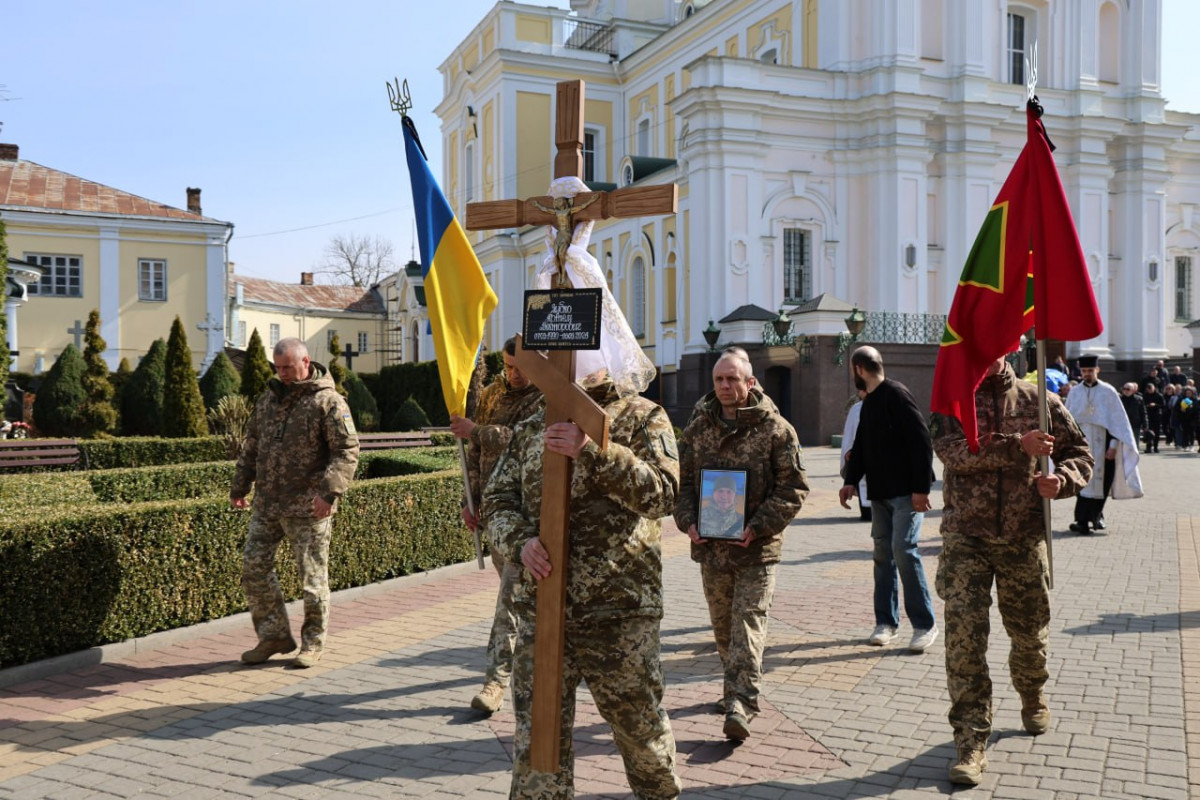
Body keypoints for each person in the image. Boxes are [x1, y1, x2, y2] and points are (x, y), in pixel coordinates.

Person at [483, 371, 683, 799]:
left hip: (618, 611)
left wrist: (594, 451)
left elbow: (664, 494)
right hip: (544, 609)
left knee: (639, 733)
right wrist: (520, 543)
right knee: (539, 740)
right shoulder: (533, 422)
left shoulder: (641, 416)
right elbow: (496, 500)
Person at [930, 355, 1093, 786]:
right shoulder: (951, 401)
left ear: (1010, 347)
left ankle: (1032, 691)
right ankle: (970, 740)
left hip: (1023, 537)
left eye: (993, 346)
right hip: (967, 538)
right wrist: (1017, 445)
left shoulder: (1040, 400)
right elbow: (954, 454)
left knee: (1028, 633)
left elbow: (1081, 453)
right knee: (964, 642)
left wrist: (1063, 481)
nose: (984, 355)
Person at [674, 351, 808, 741]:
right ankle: (733, 688)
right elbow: (679, 484)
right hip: (712, 550)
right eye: (719, 380)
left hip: (756, 548)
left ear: (750, 383)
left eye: (732, 379)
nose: (725, 387)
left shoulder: (777, 430)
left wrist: (759, 525)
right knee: (722, 627)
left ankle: (741, 702)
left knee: (747, 624)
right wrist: (688, 521)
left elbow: (794, 487)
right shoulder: (698, 429)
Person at [231, 338, 360, 668]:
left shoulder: (328, 401)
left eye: (289, 366)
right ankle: (274, 635)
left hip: (309, 505)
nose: (283, 373)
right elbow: (252, 446)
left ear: (306, 362)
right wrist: (240, 485)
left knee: (312, 579)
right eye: (279, 367)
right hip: (268, 503)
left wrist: (329, 493)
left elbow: (346, 451)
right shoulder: (268, 400)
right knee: (253, 566)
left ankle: (313, 643)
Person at [449, 336, 543, 715]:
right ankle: (538, 659)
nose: (514, 374)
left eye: (520, 366)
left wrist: (474, 430)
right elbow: (477, 454)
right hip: (494, 510)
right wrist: (469, 500)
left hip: (529, 513)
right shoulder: (491, 394)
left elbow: (521, 440)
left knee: (510, 599)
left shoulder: (548, 396)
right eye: (507, 366)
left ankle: (496, 681)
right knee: (518, 596)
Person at [839, 346, 938, 652]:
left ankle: (924, 625)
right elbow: (862, 446)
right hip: (879, 494)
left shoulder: (897, 394)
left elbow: (922, 442)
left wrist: (922, 489)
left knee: (903, 550)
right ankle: (886, 623)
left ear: (858, 369)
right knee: (883, 555)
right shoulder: (869, 404)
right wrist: (850, 481)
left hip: (907, 493)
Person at [1064, 355, 1143, 534]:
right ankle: (1082, 521)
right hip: (1081, 446)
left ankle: (1097, 516)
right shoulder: (1075, 392)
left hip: (1104, 446)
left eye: (1090, 371)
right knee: (1082, 482)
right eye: (1084, 371)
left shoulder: (1108, 392)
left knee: (1102, 482)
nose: (1087, 374)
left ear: (1097, 370)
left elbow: (1117, 423)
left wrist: (1114, 446)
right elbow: (1067, 421)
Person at [840, 389, 871, 521]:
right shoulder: (856, 408)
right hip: (859, 457)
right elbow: (849, 432)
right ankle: (866, 512)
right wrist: (848, 451)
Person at [698, 472, 745, 539]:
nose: (724, 496)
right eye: (720, 491)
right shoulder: (700, 516)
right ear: (713, 494)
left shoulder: (742, 520)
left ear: (735, 496)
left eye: (729, 492)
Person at [1119, 383, 1147, 453]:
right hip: (1122, 425)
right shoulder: (1119, 399)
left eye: (1128, 389)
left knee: (1134, 445)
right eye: (1124, 389)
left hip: (1135, 424)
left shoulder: (1139, 399)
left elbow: (1143, 413)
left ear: (1133, 391)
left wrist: (1145, 425)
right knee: (1122, 445)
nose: (1125, 391)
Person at [1142, 382, 1164, 453]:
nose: (1150, 391)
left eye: (1151, 389)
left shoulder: (1159, 395)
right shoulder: (1145, 396)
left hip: (1156, 416)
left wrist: (1155, 405)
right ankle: (1148, 447)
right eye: (1148, 389)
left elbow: (1163, 405)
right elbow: (1142, 405)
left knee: (1156, 433)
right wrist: (1148, 405)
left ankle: (1155, 447)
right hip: (1148, 415)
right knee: (1148, 433)